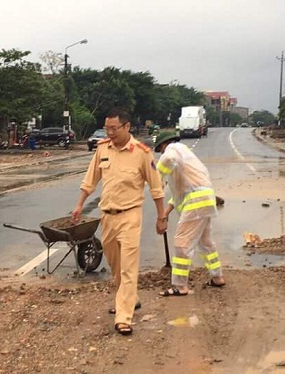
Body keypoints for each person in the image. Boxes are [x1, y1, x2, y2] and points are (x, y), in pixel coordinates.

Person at [72, 108, 167, 336]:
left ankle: (123, 316)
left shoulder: (142, 153)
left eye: (114, 128)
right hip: (107, 216)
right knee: (115, 264)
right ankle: (130, 297)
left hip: (131, 214)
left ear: (127, 127)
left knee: (128, 266)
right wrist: (79, 205)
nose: (110, 132)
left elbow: (156, 188)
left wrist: (161, 216)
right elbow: (90, 179)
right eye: (107, 128)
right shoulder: (103, 148)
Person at [153, 132, 226, 297]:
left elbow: (167, 160)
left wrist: (156, 177)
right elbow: (179, 195)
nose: (161, 153)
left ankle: (180, 285)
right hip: (205, 199)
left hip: (196, 201)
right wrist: (165, 212)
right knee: (206, 242)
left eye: (160, 150)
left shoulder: (173, 149)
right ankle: (217, 276)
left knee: (182, 242)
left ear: (164, 145)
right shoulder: (186, 154)